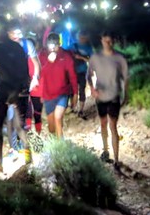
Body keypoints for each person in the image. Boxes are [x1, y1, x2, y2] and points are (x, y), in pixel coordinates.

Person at [0, 20, 33, 174]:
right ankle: (21, 158)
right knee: (15, 125)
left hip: (13, 88)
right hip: (15, 88)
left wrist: (13, 93)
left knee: (8, 125)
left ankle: (4, 161)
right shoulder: (14, 48)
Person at [87, 31, 129, 167]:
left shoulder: (120, 58)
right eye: (106, 41)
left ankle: (116, 159)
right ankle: (105, 151)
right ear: (101, 40)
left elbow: (125, 78)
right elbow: (89, 75)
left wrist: (125, 94)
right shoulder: (95, 57)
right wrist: (92, 88)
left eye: (110, 41)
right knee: (103, 123)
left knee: (113, 126)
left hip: (114, 95)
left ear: (113, 42)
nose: (108, 44)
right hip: (100, 96)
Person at [38, 32, 78, 138]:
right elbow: (40, 74)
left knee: (57, 118)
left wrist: (75, 94)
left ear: (59, 45)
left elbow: (73, 76)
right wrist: (49, 62)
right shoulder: (42, 55)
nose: (52, 49)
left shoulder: (66, 56)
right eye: (50, 46)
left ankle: (62, 147)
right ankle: (54, 143)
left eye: (55, 46)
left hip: (62, 93)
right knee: (51, 127)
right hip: (48, 95)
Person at [69, 29, 94, 117]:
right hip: (72, 71)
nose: (82, 39)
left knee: (81, 89)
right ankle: (73, 107)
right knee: (71, 90)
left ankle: (80, 110)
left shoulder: (88, 47)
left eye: (84, 38)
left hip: (82, 71)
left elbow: (91, 60)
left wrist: (81, 57)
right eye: (81, 37)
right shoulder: (73, 46)